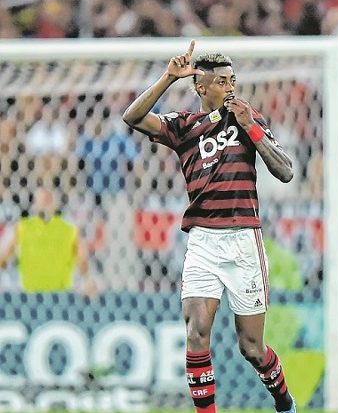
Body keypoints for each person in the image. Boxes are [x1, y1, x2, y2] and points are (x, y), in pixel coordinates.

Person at [122, 41, 296, 413]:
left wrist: (252, 129)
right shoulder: (183, 126)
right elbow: (133, 117)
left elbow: (285, 171)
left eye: (232, 80)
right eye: (221, 81)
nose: (230, 88)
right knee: (196, 332)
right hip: (202, 241)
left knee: (251, 348)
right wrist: (168, 78)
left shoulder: (250, 118)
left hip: (243, 240)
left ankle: (284, 403)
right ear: (201, 86)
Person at [0, 187, 93, 293]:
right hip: (32, 294)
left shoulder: (70, 230)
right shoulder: (22, 227)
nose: (45, 200)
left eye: (48, 198)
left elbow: (82, 262)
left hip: (60, 295)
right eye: (43, 198)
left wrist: (88, 281)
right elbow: (4, 256)